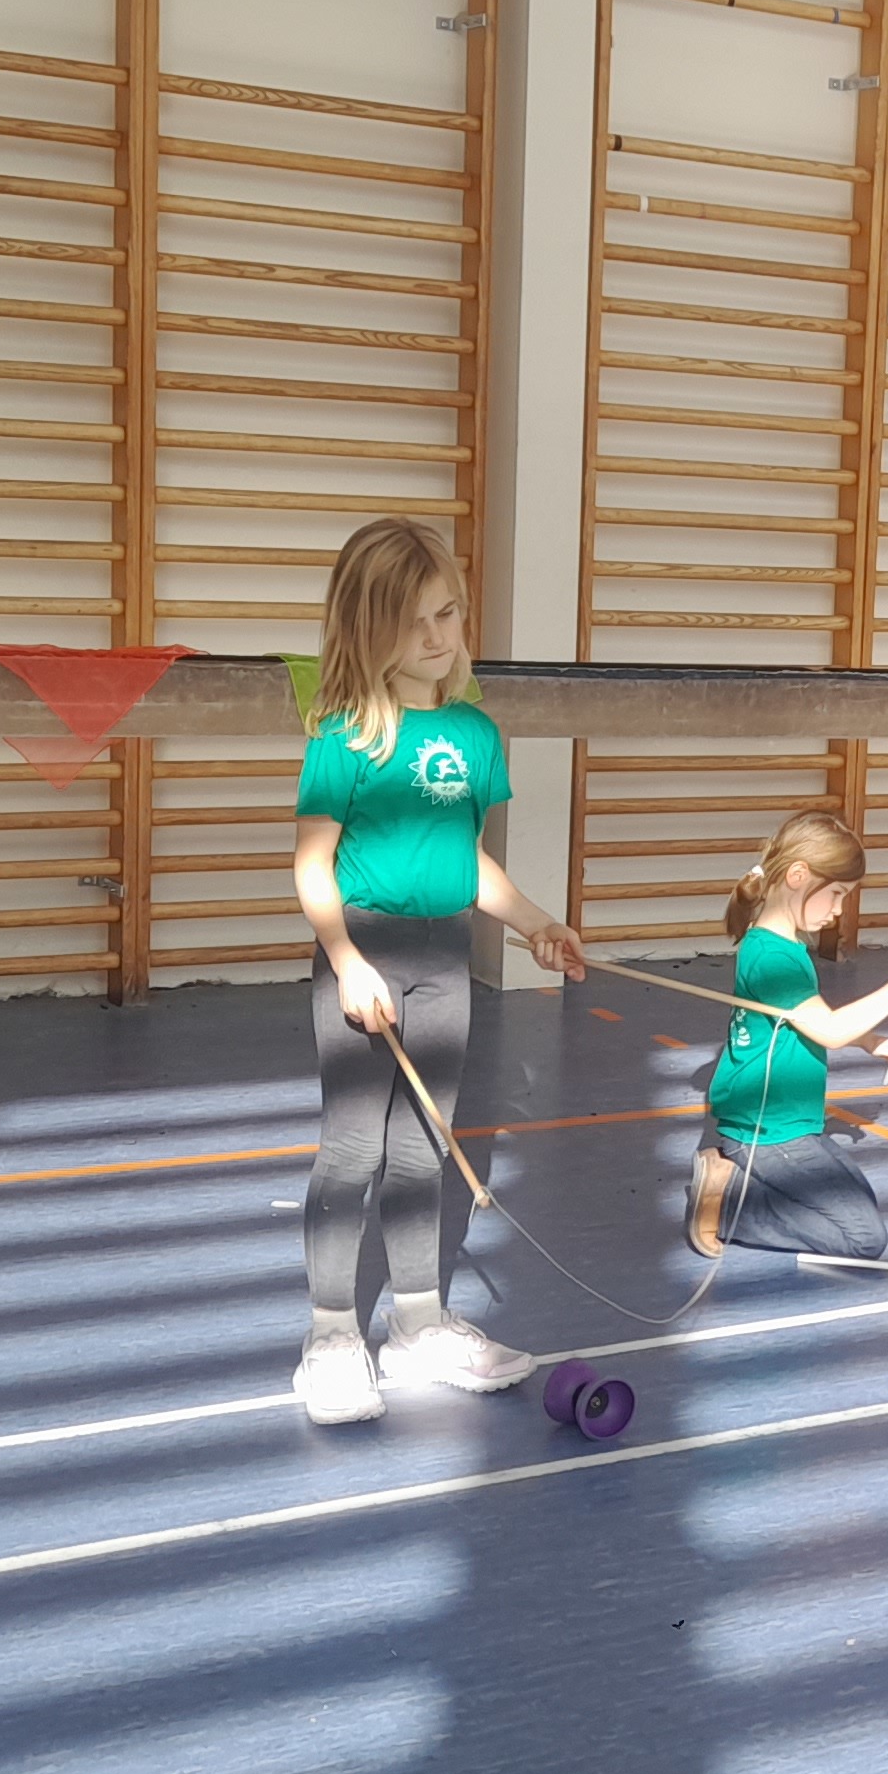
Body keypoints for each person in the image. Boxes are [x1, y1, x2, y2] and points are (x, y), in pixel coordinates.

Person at [290, 516, 586, 1424]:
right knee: (353, 1148)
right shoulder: (344, 735)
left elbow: (469, 861)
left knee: (425, 1143)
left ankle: (417, 1324)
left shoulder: (475, 734)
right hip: (366, 955)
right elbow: (311, 864)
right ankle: (330, 1336)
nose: (435, 636)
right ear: (367, 627)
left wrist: (536, 924)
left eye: (447, 614)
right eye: (412, 620)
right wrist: (345, 960)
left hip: (443, 960)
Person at [690, 809, 888, 1261]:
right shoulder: (773, 958)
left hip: (789, 1123)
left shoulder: (780, 946)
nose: (838, 910)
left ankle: (739, 1181)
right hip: (766, 1131)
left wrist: (867, 1039)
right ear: (798, 876)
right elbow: (828, 1030)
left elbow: (811, 1020)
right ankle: (728, 1202)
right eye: (835, 894)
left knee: (856, 1203)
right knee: (863, 1238)